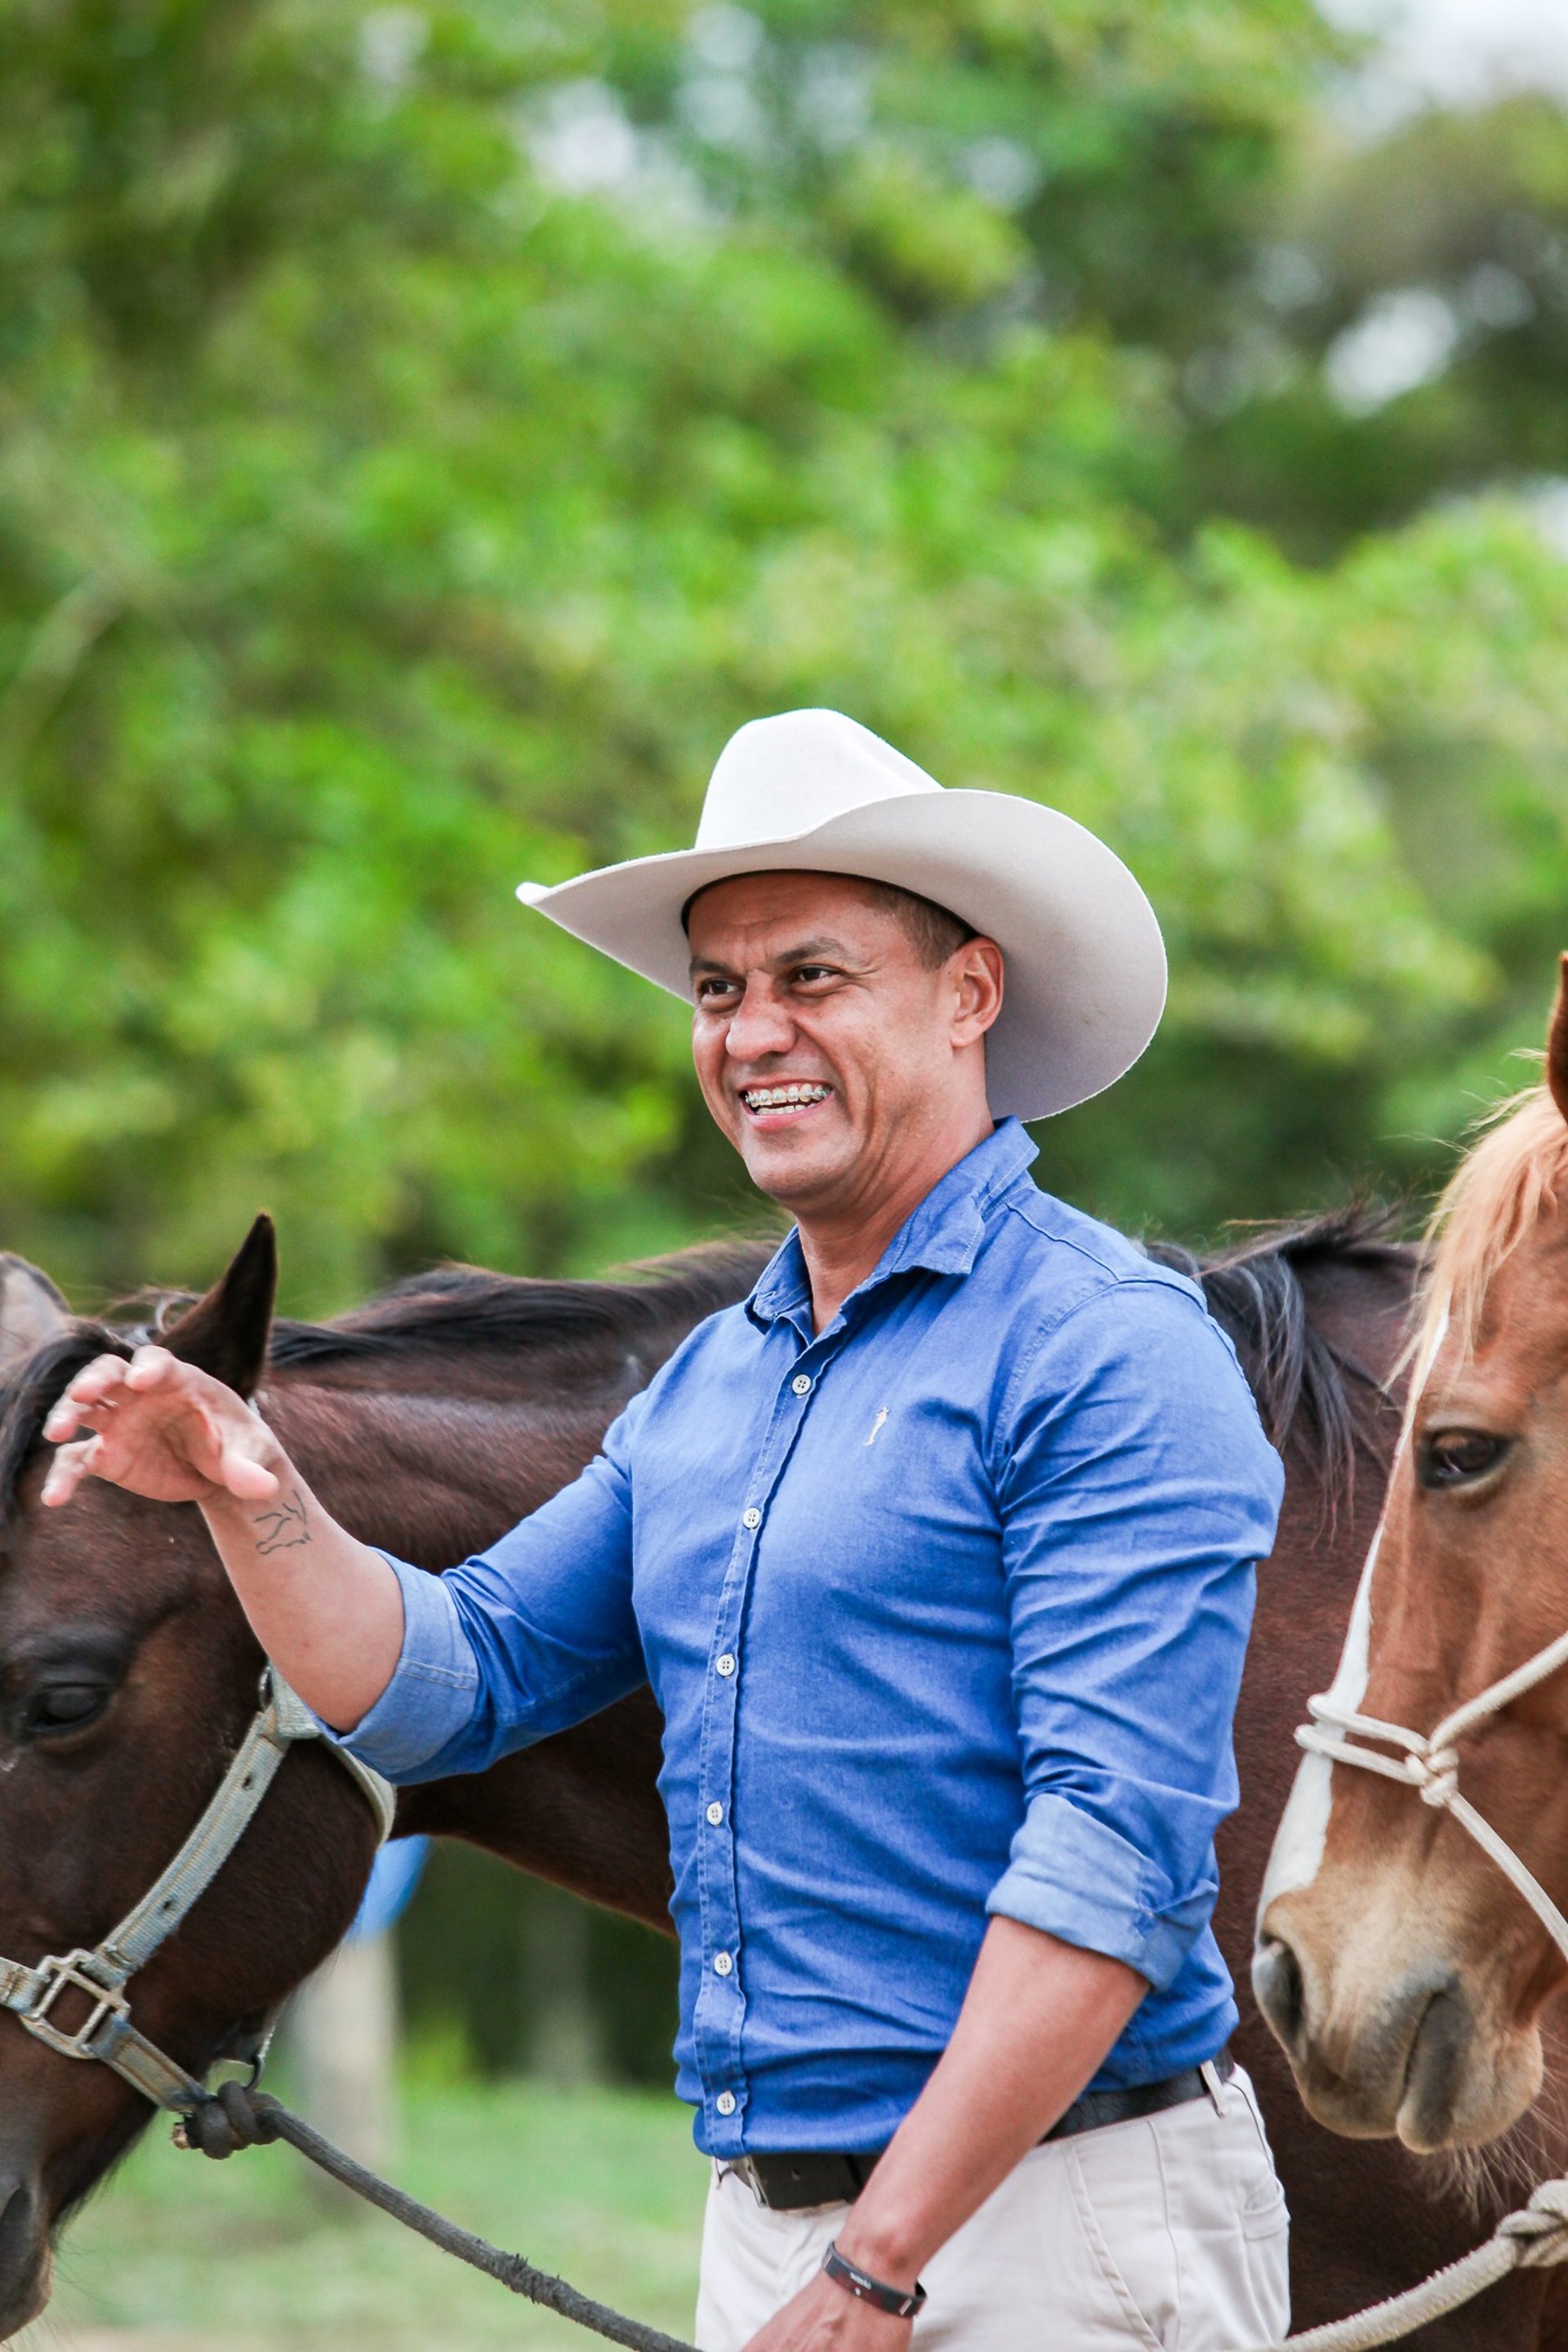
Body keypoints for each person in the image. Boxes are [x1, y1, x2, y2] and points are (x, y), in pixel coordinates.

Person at [41, 709, 1289, 2350]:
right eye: (718, 989)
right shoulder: (718, 1385)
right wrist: (250, 1488)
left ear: (969, 993)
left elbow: (1110, 1866)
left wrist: (876, 2264)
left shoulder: (1106, 1348)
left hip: (1055, 2230)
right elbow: (443, 1686)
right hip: (777, 2226)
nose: (751, 1032)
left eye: (813, 978)